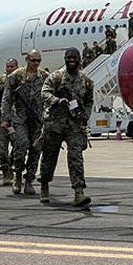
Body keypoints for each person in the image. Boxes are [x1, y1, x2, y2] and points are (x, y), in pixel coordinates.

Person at [39, 48, 94, 205]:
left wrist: (85, 115)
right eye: (69, 57)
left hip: (74, 125)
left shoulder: (87, 81)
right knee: (49, 157)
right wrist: (57, 100)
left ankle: (79, 192)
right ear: (65, 59)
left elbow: (89, 101)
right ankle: (44, 184)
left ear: (79, 59)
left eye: (74, 57)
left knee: (76, 157)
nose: (71, 60)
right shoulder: (56, 77)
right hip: (54, 124)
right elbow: (45, 93)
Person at [2, 50, 48, 195]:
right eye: (33, 60)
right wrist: (5, 118)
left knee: (36, 150)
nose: (36, 63)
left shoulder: (44, 76)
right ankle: (17, 176)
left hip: (37, 119)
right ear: (27, 59)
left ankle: (29, 180)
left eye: (38, 61)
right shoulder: (16, 76)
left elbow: (49, 96)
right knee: (21, 146)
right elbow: (7, 98)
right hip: (20, 118)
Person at [0, 58, 18, 185]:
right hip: (2, 118)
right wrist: (0, 110)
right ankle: (5, 171)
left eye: (12, 66)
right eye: (8, 66)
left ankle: (11, 164)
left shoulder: (22, 81)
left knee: (19, 145)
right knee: (2, 146)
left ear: (17, 67)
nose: (9, 69)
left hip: (18, 119)